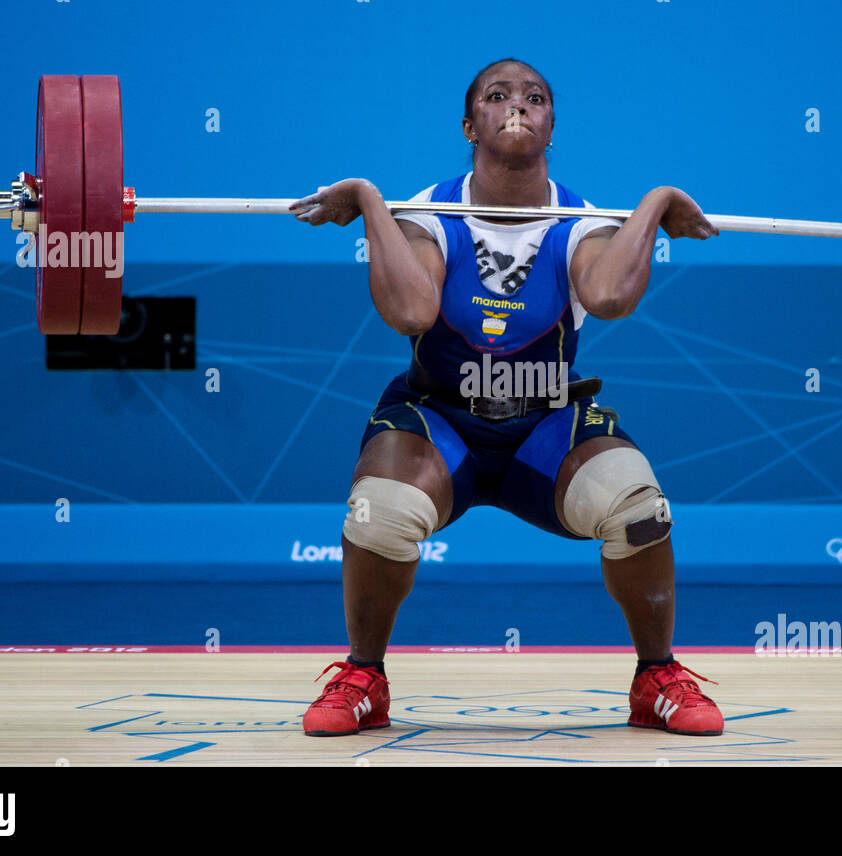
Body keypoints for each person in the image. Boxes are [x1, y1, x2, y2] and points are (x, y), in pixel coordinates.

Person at [290, 58, 724, 737]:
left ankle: (655, 677)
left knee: (640, 508)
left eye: (535, 98)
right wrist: (374, 204)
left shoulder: (581, 225)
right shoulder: (429, 215)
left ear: (552, 124)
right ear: (471, 124)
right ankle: (364, 677)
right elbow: (410, 311)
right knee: (380, 512)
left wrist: (659, 200)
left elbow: (609, 297)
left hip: (545, 431)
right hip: (439, 425)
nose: (517, 105)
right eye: (498, 96)